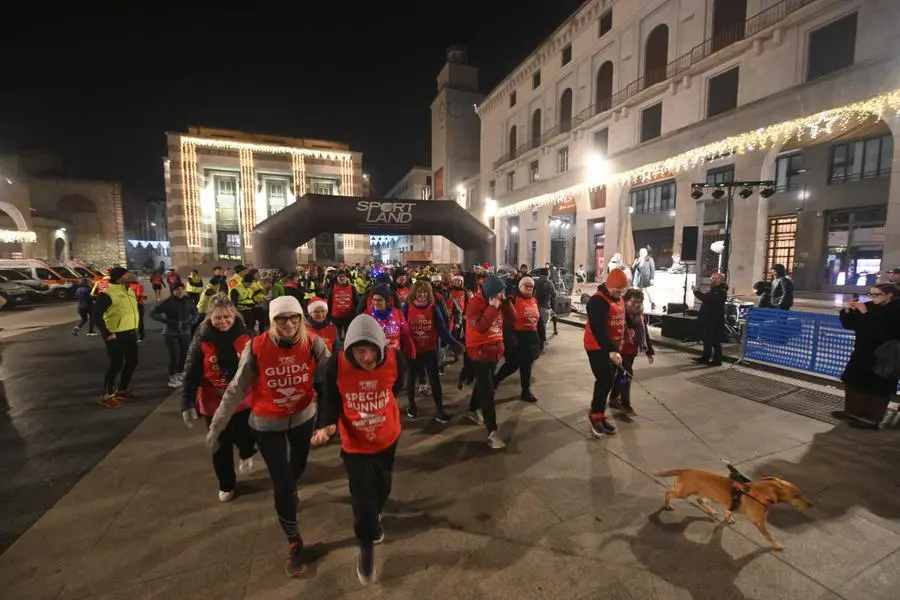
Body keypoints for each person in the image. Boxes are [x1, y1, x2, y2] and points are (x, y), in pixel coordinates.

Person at [206, 295, 330, 577]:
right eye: (281, 319)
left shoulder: (312, 342)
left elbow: (335, 373)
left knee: (296, 470)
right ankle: (294, 542)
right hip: (267, 423)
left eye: (293, 317)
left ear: (301, 319)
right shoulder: (258, 346)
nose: (288, 324)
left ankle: (291, 488)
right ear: (272, 321)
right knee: (282, 482)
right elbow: (237, 388)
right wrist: (217, 425)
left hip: (303, 418)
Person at [313, 314, 406, 586]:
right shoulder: (337, 364)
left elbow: (396, 387)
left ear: (381, 347)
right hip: (354, 442)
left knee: (383, 488)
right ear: (349, 349)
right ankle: (366, 548)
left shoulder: (395, 359)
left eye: (372, 350)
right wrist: (328, 425)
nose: (366, 357)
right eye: (359, 350)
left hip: (387, 437)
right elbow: (330, 396)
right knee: (362, 496)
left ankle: (373, 516)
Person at [181, 295, 256, 502]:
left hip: (243, 400)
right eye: (218, 318)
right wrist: (186, 402)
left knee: (246, 434)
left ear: (234, 316)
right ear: (209, 318)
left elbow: (258, 365)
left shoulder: (247, 335)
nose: (223, 321)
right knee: (220, 445)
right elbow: (191, 372)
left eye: (227, 317)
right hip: (213, 402)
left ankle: (246, 452)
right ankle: (226, 484)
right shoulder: (201, 339)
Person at [833, 283, 900, 429]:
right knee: (853, 381)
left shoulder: (895, 310)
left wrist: (866, 314)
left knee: (877, 388)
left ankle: (872, 419)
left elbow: (885, 332)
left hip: (883, 356)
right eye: (871, 294)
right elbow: (851, 324)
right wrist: (847, 311)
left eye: (877, 294)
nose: (873, 297)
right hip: (862, 352)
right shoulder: (870, 306)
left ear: (889, 295)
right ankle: (852, 411)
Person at [403, 280, 460, 422]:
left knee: (434, 381)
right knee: (410, 380)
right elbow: (402, 328)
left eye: (425, 292)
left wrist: (454, 343)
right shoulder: (407, 307)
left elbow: (442, 329)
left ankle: (440, 410)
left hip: (429, 350)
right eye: (419, 292)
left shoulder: (433, 308)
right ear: (414, 293)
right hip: (413, 351)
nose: (422, 295)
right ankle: (411, 407)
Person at [583, 267, 627, 436]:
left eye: (622, 291)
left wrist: (628, 329)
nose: (619, 294)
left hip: (614, 347)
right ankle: (595, 415)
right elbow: (598, 328)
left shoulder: (617, 297)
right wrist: (610, 350)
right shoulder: (597, 301)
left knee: (608, 381)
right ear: (608, 286)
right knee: (604, 380)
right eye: (617, 291)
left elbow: (623, 317)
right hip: (597, 346)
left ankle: (600, 414)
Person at [465, 274, 507, 449]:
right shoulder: (474, 303)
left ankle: (472, 409)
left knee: (484, 383)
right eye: (498, 291)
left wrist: (506, 304)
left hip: (494, 350)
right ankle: (492, 432)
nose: (500, 294)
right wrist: (492, 307)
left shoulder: (498, 301)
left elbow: (512, 318)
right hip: (478, 351)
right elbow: (481, 327)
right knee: (488, 390)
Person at [93, 267, 141, 408]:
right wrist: (106, 333)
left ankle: (122, 389)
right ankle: (106, 395)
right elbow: (97, 315)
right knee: (116, 365)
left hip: (131, 332)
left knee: (132, 362)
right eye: (126, 275)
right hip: (116, 334)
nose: (129, 276)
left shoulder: (130, 290)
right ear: (119, 277)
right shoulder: (108, 293)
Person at [609, 288, 655, 417]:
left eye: (639, 301)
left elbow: (644, 333)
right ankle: (625, 404)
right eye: (633, 301)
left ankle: (613, 398)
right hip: (619, 349)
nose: (636, 304)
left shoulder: (640, 315)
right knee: (626, 375)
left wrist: (649, 351)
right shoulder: (620, 312)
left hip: (631, 350)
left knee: (621, 375)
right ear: (626, 300)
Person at [494, 276, 541, 402]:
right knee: (512, 365)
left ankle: (526, 391)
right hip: (516, 338)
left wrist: (540, 340)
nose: (529, 288)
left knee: (527, 367)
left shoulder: (534, 301)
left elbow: (539, 321)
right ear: (520, 287)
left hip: (531, 339)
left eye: (531, 286)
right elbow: (506, 321)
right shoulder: (512, 299)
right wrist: (510, 339)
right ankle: (494, 381)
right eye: (526, 286)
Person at [150, 282, 198, 388]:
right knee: (174, 355)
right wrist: (167, 321)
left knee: (184, 354)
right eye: (178, 289)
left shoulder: (189, 301)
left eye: (182, 288)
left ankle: (180, 374)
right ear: (173, 291)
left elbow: (195, 312)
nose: (180, 290)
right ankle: (173, 376)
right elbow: (153, 313)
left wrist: (192, 321)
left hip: (185, 332)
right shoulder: (168, 302)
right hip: (171, 333)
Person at [692, 271, 728, 366]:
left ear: (721, 280)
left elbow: (707, 300)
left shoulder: (721, 290)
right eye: (712, 278)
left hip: (714, 320)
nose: (713, 280)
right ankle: (705, 357)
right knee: (707, 339)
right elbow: (707, 299)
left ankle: (717, 360)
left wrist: (696, 292)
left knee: (715, 340)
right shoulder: (714, 289)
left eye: (716, 278)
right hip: (708, 319)